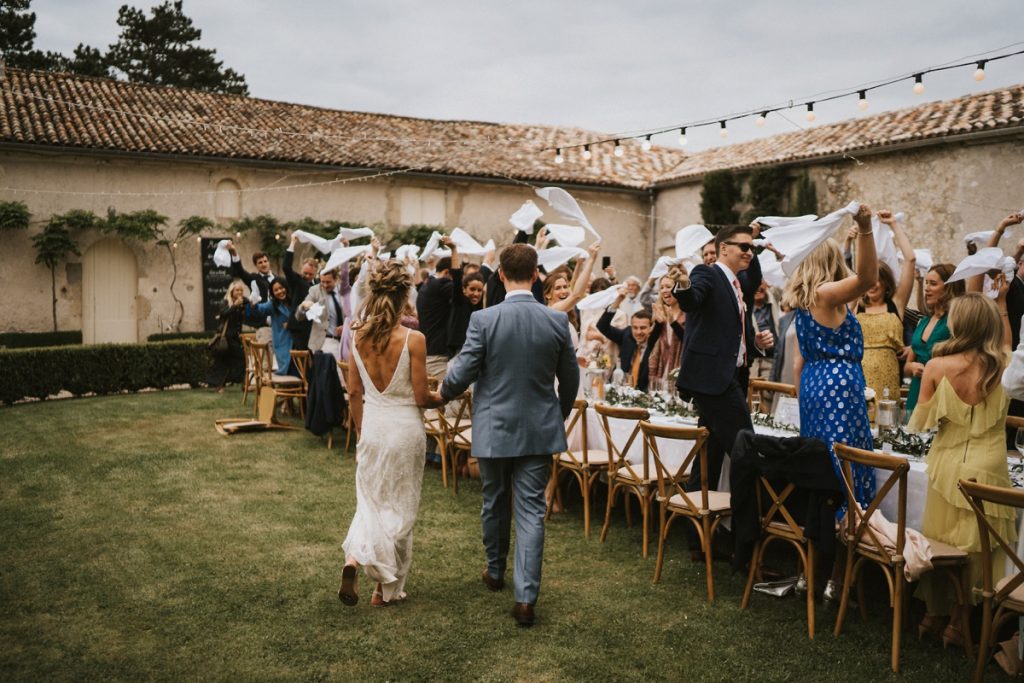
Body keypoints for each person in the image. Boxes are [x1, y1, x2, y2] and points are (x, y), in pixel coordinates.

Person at [435, 243, 579, 627]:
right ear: (536, 276)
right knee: (532, 511)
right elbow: (570, 379)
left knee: (494, 500)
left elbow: (463, 369)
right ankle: (526, 597)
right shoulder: (557, 321)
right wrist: (557, 414)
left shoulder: (485, 320)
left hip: (494, 427)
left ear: (500, 275)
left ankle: (495, 571)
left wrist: (442, 394)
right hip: (539, 428)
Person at [908, 291, 1016, 647]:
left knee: (944, 541)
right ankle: (959, 621)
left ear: (959, 323)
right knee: (979, 547)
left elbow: (919, 424)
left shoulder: (939, 366)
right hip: (990, 464)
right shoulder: (1007, 364)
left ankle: (932, 616)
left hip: (947, 464)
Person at [337, 261, 443, 607]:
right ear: (404, 297)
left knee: (370, 502)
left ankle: (353, 558)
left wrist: (359, 434)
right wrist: (445, 396)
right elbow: (421, 397)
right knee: (400, 507)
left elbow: (354, 393)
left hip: (373, 428)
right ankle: (385, 591)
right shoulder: (414, 339)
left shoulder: (357, 335)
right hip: (405, 429)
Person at [673, 223, 769, 518]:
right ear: (723, 248)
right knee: (747, 455)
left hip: (732, 378)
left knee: (709, 457)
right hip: (713, 382)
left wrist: (757, 237)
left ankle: (697, 535)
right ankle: (744, 543)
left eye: (752, 248)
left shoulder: (739, 284)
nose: (749, 252)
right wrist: (683, 284)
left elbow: (755, 278)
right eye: (744, 247)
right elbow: (692, 299)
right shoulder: (708, 273)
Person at [783, 204, 876, 507]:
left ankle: (822, 518)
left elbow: (798, 362)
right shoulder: (825, 295)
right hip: (839, 386)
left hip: (812, 384)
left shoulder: (806, 302)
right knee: (846, 453)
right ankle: (849, 517)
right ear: (832, 260)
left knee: (821, 451)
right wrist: (865, 229)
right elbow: (866, 280)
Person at [854, 210, 916, 401]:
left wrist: (894, 224)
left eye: (877, 279)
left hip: (888, 378)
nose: (872, 284)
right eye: (869, 279)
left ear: (886, 283)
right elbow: (857, 265)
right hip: (858, 376)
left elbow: (910, 260)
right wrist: (861, 233)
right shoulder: (855, 304)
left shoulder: (896, 304)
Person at [904, 263, 965, 418]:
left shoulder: (956, 321)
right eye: (926, 283)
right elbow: (907, 365)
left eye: (933, 284)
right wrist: (912, 367)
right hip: (916, 391)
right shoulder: (923, 321)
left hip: (942, 392)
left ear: (949, 287)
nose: (927, 288)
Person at [226, 242, 276, 344]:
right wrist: (234, 252)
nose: (263, 264)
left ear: (269, 262)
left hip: (279, 325)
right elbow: (240, 271)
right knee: (266, 358)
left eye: (265, 261)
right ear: (256, 265)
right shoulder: (253, 279)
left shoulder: (278, 279)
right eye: (260, 262)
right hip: (264, 326)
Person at [246, 277, 297, 376]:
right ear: (272, 293)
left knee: (301, 373)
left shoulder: (295, 301)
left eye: (281, 288)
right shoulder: (273, 305)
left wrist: (291, 323)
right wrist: (253, 304)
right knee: (288, 373)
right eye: (276, 290)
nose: (280, 292)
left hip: (297, 343)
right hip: (283, 344)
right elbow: (259, 309)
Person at [416, 252, 454, 379]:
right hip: (437, 353)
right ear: (447, 272)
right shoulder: (442, 285)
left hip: (427, 349)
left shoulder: (426, 285)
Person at [648, 268, 687, 388]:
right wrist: (659, 323)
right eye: (662, 287)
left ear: (677, 289)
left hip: (680, 367)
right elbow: (651, 344)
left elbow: (688, 340)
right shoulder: (660, 311)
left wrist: (673, 322)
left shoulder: (688, 313)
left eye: (668, 287)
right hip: (662, 366)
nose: (664, 290)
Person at [282, 233, 320, 351]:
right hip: (299, 326)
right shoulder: (297, 281)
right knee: (301, 357)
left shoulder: (318, 283)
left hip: (314, 327)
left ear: (315, 273)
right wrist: (293, 243)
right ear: (301, 270)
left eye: (310, 274)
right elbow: (286, 267)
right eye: (305, 273)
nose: (307, 276)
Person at [206, 280, 247, 391]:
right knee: (228, 360)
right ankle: (219, 385)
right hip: (226, 337)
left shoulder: (243, 302)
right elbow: (224, 314)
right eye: (237, 290)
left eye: (241, 290)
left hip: (236, 337)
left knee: (236, 360)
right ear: (231, 291)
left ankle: (224, 384)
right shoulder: (225, 302)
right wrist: (234, 305)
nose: (239, 292)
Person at [296, 269, 345, 358]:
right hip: (326, 340)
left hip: (345, 339)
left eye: (328, 282)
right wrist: (303, 307)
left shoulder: (343, 290)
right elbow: (299, 317)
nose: (325, 285)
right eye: (323, 282)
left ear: (336, 279)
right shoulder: (315, 291)